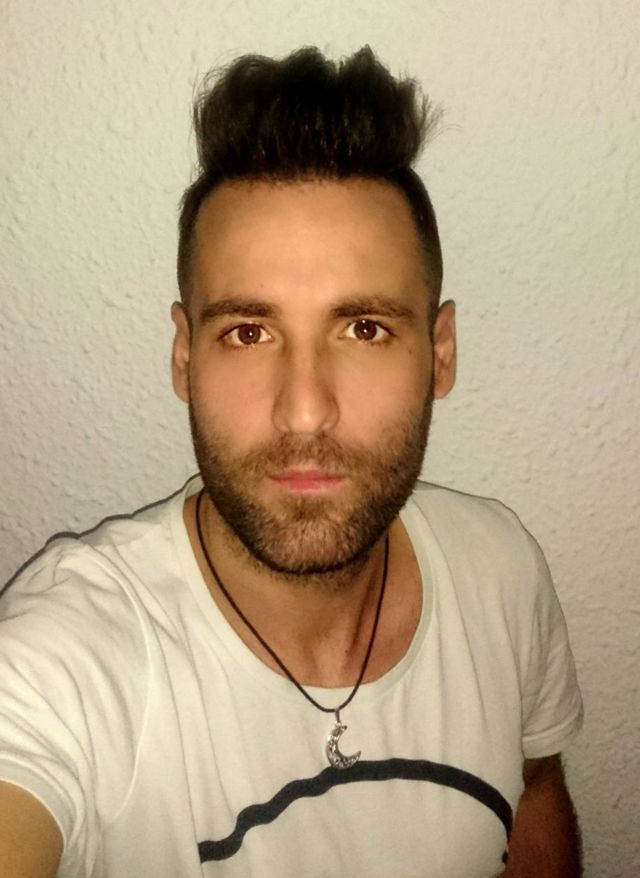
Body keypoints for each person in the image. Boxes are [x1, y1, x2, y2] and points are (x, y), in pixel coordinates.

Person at [0, 47, 583, 877]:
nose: (304, 410)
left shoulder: (502, 570)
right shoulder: (60, 666)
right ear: (184, 357)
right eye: (249, 332)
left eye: (364, 329)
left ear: (441, 353)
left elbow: (535, 789)